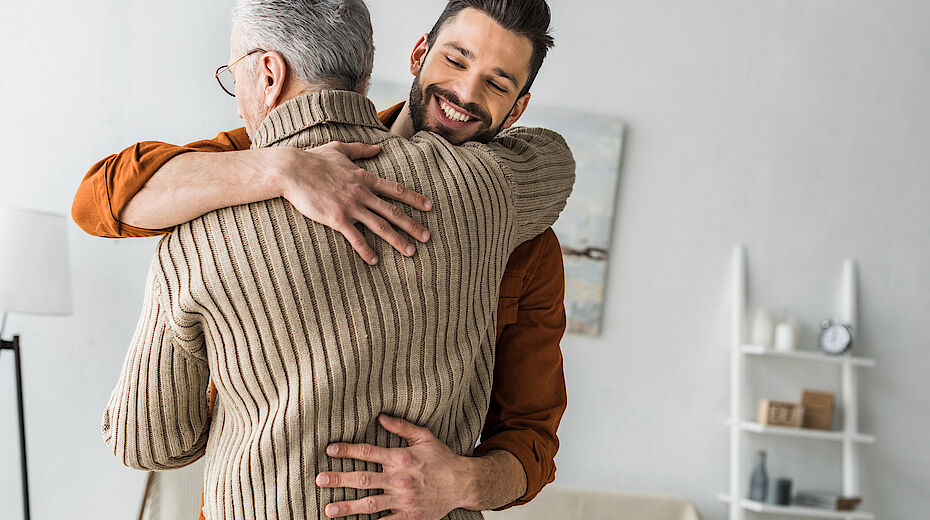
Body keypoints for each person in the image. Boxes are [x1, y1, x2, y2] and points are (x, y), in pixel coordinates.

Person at [97, 1, 574, 519]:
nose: (464, 93)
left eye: (497, 85)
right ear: (417, 54)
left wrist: (463, 482)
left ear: (268, 75)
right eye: (456, 61)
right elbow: (101, 196)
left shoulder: (198, 227)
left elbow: (147, 443)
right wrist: (280, 169)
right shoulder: (488, 194)